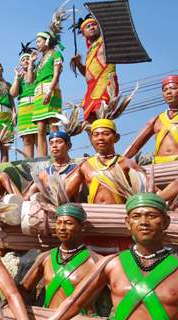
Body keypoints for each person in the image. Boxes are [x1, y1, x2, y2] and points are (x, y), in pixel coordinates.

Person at [50, 193, 178, 320]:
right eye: (136, 216)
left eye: (151, 216)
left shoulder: (175, 266)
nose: (144, 222)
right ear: (128, 223)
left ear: (166, 222)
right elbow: (74, 302)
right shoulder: (111, 264)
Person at [20, 204, 100, 314]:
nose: (62, 228)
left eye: (68, 223)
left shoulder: (96, 261)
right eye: (58, 222)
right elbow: (24, 289)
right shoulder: (46, 258)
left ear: (82, 226)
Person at [66, 119, 144, 204]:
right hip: (94, 215)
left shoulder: (127, 163)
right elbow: (63, 193)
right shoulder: (85, 165)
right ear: (92, 139)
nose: (100, 138)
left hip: (120, 214)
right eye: (96, 135)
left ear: (116, 138)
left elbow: (150, 191)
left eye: (106, 134)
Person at [70, 15, 119, 122]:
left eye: (94, 25)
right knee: (89, 123)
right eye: (88, 26)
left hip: (105, 84)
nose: (92, 27)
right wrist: (78, 64)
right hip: (91, 88)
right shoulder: (90, 50)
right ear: (83, 33)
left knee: (102, 119)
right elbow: (87, 74)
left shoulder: (105, 42)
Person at [124, 75, 178, 164]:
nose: (168, 92)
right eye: (165, 90)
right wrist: (118, 162)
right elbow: (135, 146)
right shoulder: (156, 120)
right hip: (159, 166)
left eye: (173, 88)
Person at [26, 31, 64, 157]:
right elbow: (30, 80)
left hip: (51, 90)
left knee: (53, 125)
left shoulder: (55, 53)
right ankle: (42, 159)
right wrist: (31, 63)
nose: (37, 44)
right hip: (38, 94)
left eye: (39, 41)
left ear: (47, 41)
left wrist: (49, 91)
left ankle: (56, 156)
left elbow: (57, 74)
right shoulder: (40, 60)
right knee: (40, 129)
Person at [24, 131, 76, 199]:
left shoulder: (76, 170)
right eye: (51, 143)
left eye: (58, 142)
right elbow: (27, 197)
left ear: (69, 145)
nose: (54, 146)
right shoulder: (44, 174)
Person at [10, 42, 38, 158]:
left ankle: (43, 161)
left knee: (38, 136)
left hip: (36, 105)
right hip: (23, 108)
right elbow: (12, 94)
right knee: (27, 139)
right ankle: (29, 165)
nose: (26, 61)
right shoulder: (20, 77)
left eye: (28, 58)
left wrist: (32, 65)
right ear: (20, 63)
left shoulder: (38, 71)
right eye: (23, 60)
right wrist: (16, 78)